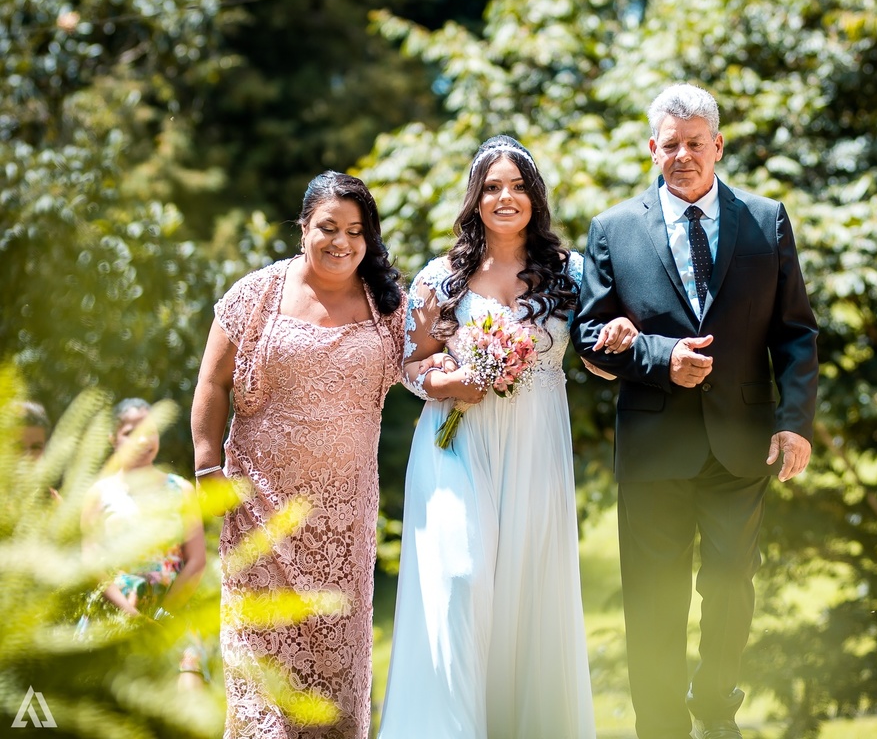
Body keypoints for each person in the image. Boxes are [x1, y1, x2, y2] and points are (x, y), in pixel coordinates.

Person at [570, 83, 820, 739]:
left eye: (695, 143)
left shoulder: (766, 221)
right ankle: (660, 727)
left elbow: (795, 330)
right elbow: (591, 336)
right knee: (654, 599)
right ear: (653, 150)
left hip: (741, 441)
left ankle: (715, 704)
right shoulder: (613, 231)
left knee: (733, 583)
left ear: (718, 145)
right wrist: (659, 358)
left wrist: (794, 421)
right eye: (670, 145)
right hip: (654, 446)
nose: (683, 155)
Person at [378, 135, 635, 739]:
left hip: (535, 443)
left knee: (527, 592)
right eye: (492, 186)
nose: (505, 197)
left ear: (534, 197)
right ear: (475, 199)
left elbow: (595, 353)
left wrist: (618, 334)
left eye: (517, 186)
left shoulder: (570, 273)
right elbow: (410, 366)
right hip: (455, 442)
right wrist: (447, 384)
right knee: (459, 578)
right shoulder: (442, 277)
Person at [191, 171, 413, 738]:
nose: (342, 242)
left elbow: (427, 362)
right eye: (328, 228)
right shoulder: (256, 294)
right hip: (260, 509)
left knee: (337, 675)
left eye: (356, 231)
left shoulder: (388, 303)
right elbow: (213, 383)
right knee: (263, 669)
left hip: (344, 522)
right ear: (303, 228)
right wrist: (205, 466)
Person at [80, 398, 207, 684]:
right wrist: (130, 614)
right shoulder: (98, 494)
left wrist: (163, 614)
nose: (143, 439)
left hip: (171, 612)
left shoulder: (182, 490)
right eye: (130, 432)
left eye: (150, 430)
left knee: (188, 692)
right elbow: (90, 563)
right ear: (114, 438)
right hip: (114, 610)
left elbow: (197, 560)